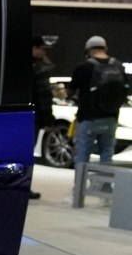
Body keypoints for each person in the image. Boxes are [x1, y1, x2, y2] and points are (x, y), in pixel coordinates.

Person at [69, 35, 128, 171]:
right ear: (105, 48)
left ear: (88, 50)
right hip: (111, 118)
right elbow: (125, 90)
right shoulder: (118, 65)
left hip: (88, 118)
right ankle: (105, 183)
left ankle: (80, 183)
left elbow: (71, 90)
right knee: (107, 154)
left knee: (83, 154)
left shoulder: (84, 67)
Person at [30, 36, 55, 200]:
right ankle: (24, 186)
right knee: (27, 153)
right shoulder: (38, 69)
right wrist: (48, 117)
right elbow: (44, 95)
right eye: (43, 49)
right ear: (34, 48)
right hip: (33, 117)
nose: (44, 53)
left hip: (20, 115)